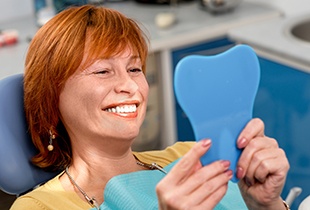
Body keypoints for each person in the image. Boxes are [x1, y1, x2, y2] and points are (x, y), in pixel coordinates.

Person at [10, 4, 290, 210]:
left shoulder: (189, 156)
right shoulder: (38, 207)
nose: (130, 87)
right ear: (52, 96)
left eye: (134, 68)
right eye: (102, 72)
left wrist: (267, 205)